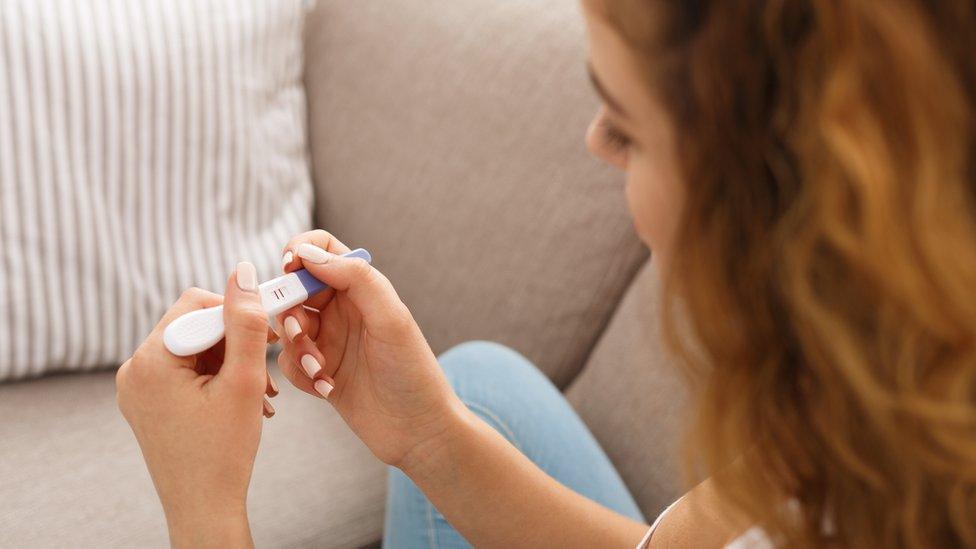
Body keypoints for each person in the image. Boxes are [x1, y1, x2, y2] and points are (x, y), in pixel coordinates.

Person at [117, 0, 976, 547]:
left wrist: (203, 509)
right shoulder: (858, 399)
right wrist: (430, 436)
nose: (596, 143)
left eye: (628, 128)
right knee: (483, 385)